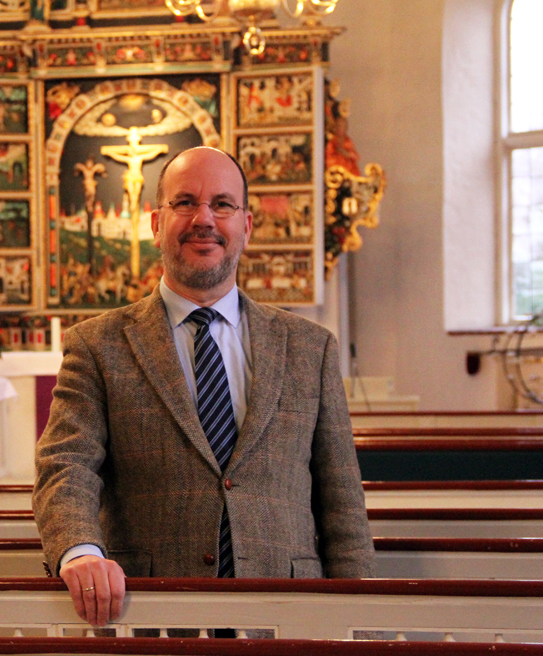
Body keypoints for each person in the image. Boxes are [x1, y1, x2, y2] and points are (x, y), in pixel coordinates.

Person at [33, 146, 375, 628]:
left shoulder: (308, 347)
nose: (204, 219)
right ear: (155, 223)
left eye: (222, 204)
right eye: (185, 202)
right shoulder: (97, 345)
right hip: (150, 610)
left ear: (246, 226)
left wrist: (359, 618)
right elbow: (65, 465)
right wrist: (81, 552)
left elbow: (342, 500)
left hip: (288, 610)